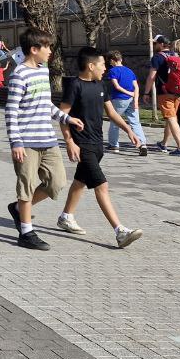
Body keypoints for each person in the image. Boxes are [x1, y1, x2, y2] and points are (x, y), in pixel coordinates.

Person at [55, 46, 144, 248]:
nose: (105, 68)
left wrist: (129, 130)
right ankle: (120, 231)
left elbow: (111, 113)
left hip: (97, 143)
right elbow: (63, 116)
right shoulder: (75, 85)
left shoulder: (100, 85)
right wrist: (69, 141)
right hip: (83, 144)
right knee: (101, 185)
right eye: (102, 64)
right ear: (90, 66)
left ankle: (66, 217)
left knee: (80, 181)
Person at [3, 28, 83, 251]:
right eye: (46, 47)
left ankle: (18, 209)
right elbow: (11, 111)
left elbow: (45, 104)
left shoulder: (42, 71)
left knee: (57, 182)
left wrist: (67, 118)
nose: (50, 51)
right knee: (26, 186)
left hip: (48, 139)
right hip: (27, 143)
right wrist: (16, 142)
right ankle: (26, 233)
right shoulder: (19, 75)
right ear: (34, 49)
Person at [146, 37, 180, 156]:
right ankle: (164, 143)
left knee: (171, 118)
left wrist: (146, 92)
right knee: (171, 118)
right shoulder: (177, 55)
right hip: (178, 92)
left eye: (155, 43)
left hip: (165, 93)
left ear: (161, 44)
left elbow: (152, 77)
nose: (154, 45)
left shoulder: (157, 57)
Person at [105, 51, 147, 156]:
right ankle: (142, 144)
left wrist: (128, 93)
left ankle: (114, 145)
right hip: (132, 100)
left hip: (119, 99)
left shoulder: (113, 71)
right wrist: (135, 99)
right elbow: (136, 87)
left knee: (115, 121)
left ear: (112, 61)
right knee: (135, 122)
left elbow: (117, 86)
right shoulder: (129, 71)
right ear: (121, 59)